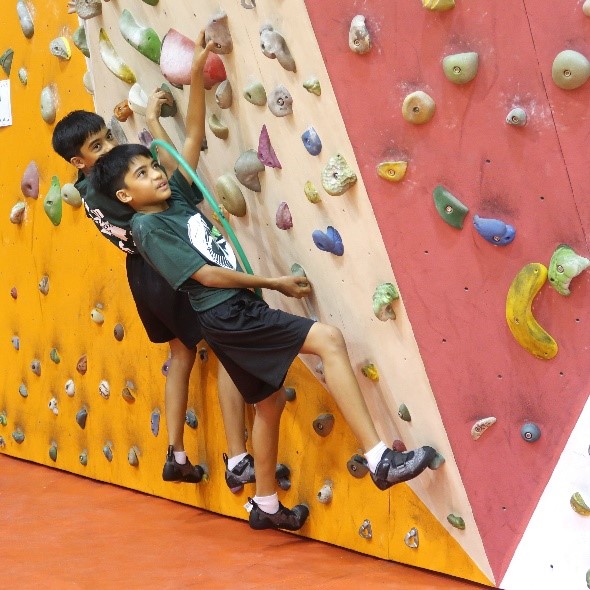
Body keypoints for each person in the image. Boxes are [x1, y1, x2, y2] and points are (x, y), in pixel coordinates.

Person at [89, 59, 437, 534]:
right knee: (329, 340)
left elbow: (189, 141)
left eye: (152, 167)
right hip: (228, 314)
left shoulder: (175, 201)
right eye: (143, 174)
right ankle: (379, 459)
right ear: (125, 197)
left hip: (233, 313)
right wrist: (273, 284)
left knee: (268, 404)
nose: (156, 175)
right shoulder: (147, 228)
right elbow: (205, 275)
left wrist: (195, 74)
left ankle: (266, 503)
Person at [51, 33, 256, 493]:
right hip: (165, 265)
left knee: (180, 354)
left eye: (107, 138)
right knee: (224, 342)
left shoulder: (88, 189)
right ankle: (238, 455)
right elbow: (172, 168)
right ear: (79, 161)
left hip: (141, 276)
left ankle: (176, 452)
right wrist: (150, 122)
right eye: (99, 146)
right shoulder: (113, 187)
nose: (109, 148)